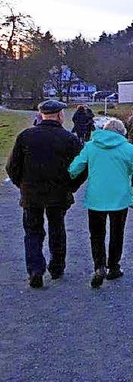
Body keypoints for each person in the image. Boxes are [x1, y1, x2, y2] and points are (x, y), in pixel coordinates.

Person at [5, 100, 84, 288]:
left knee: (32, 231)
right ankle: (57, 267)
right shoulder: (69, 139)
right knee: (57, 228)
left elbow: (12, 166)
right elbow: (81, 167)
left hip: (31, 193)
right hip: (58, 193)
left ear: (41, 115)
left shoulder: (26, 136)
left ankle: (35, 269)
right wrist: (71, 186)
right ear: (59, 115)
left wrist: (22, 184)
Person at [68, 118, 133, 288]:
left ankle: (99, 265)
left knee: (96, 234)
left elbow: (74, 169)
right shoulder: (129, 148)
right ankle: (114, 266)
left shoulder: (90, 146)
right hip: (120, 199)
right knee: (117, 233)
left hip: (96, 198)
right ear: (122, 132)